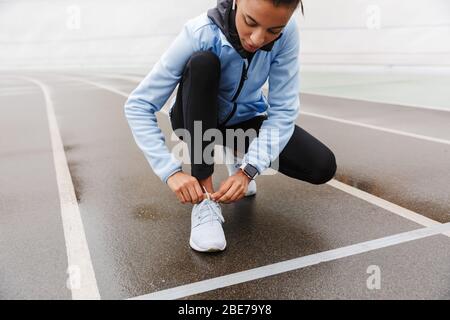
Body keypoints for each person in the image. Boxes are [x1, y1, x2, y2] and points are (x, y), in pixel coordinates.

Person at [124, 0, 337, 253]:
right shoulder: (200, 32)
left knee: (322, 166)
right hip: (192, 118)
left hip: (243, 120)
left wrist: (248, 170)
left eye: (273, 30)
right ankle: (204, 201)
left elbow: (283, 111)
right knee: (203, 63)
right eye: (250, 22)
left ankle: (235, 150)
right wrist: (170, 171)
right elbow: (138, 105)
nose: (258, 39)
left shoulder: (288, 34)